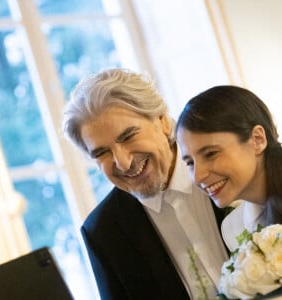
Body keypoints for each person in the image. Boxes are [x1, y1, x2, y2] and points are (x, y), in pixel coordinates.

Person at [62, 68, 228, 300]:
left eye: (128, 136)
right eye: (102, 152)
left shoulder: (227, 163)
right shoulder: (103, 231)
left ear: (162, 122)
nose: (123, 162)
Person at [175, 85, 282, 252]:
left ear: (257, 139)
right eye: (190, 163)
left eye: (210, 154)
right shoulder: (233, 229)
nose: (197, 177)